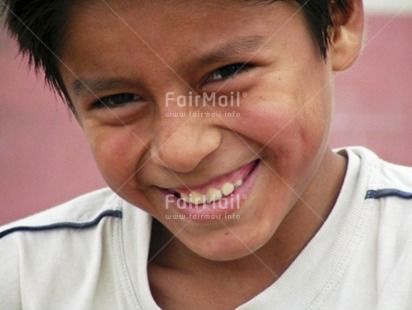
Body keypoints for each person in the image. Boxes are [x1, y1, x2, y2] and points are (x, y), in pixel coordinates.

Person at [1, 0, 411, 309]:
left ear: (338, 24)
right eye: (120, 99)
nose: (181, 151)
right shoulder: (22, 281)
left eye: (228, 72)